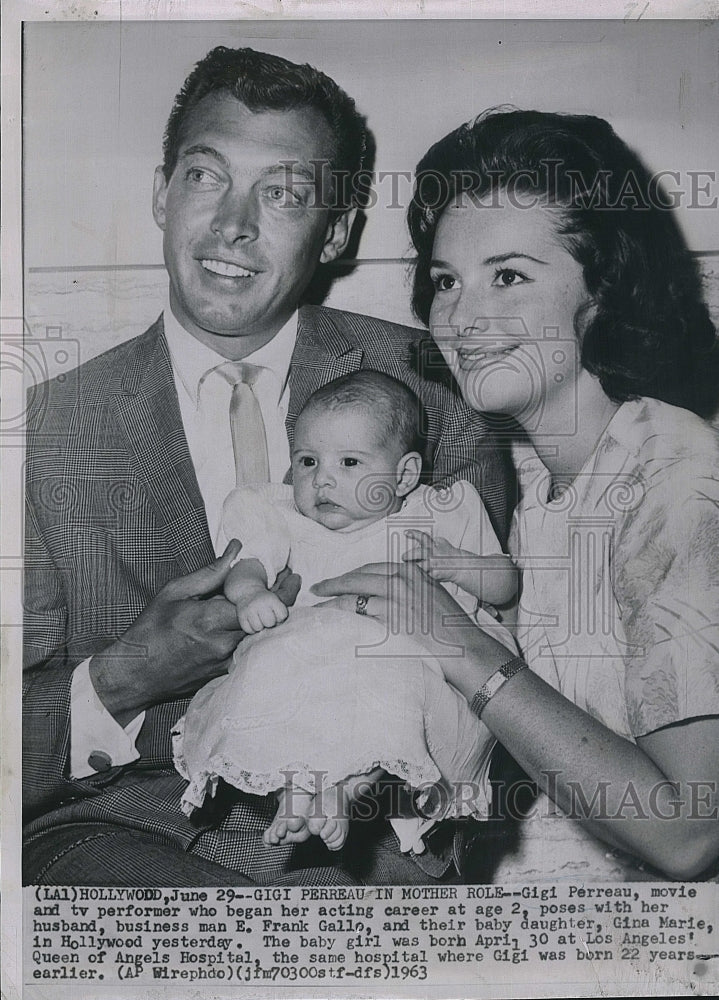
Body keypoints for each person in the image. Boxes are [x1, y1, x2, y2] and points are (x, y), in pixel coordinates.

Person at [23, 47, 512, 887]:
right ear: (161, 193)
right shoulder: (42, 428)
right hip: (113, 838)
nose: (232, 225)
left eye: (282, 193)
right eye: (205, 177)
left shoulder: (433, 385)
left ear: (335, 231)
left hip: (367, 838)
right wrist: (120, 676)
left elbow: (489, 654)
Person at [314, 109, 719, 881]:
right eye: (444, 281)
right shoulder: (552, 498)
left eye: (508, 275)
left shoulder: (675, 479)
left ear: (602, 285)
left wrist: (464, 648)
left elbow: (687, 831)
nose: (459, 317)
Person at [172, 370, 517, 855]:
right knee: (270, 669)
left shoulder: (436, 512)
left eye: (350, 462)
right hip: (309, 660)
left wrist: (457, 564)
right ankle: (293, 788)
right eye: (308, 461)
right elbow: (245, 560)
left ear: (403, 475)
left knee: (388, 688)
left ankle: (348, 789)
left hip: (404, 657)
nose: (323, 480)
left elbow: (504, 584)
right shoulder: (282, 516)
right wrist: (250, 594)